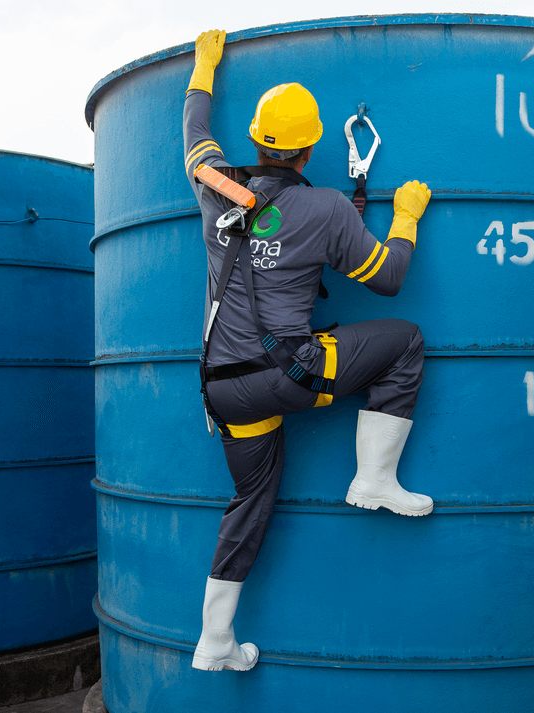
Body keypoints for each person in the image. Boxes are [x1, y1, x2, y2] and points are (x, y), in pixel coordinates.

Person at [183, 29, 434, 673]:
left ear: (259, 139)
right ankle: (374, 479)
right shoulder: (325, 209)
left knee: (252, 498)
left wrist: (204, 65)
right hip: (290, 376)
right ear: (311, 147)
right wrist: (405, 215)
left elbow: (193, 126)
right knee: (404, 341)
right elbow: (388, 278)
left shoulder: (214, 184)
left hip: (221, 386)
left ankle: (215, 641)